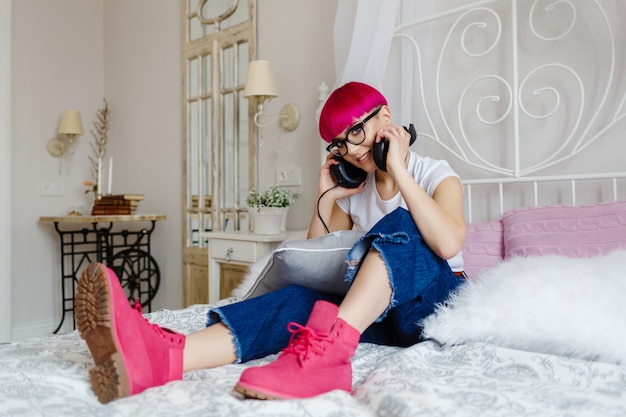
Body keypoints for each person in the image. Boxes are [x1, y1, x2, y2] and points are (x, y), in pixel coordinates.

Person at [75, 81, 466, 404]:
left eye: (359, 132)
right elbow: (316, 264)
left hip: (435, 309)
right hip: (378, 319)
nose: (354, 149)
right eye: (340, 143)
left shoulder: (435, 174)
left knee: (402, 222)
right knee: (300, 299)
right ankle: (164, 358)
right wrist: (325, 198)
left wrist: (399, 168)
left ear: (386, 117)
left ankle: (329, 358)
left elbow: (447, 244)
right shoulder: (356, 191)